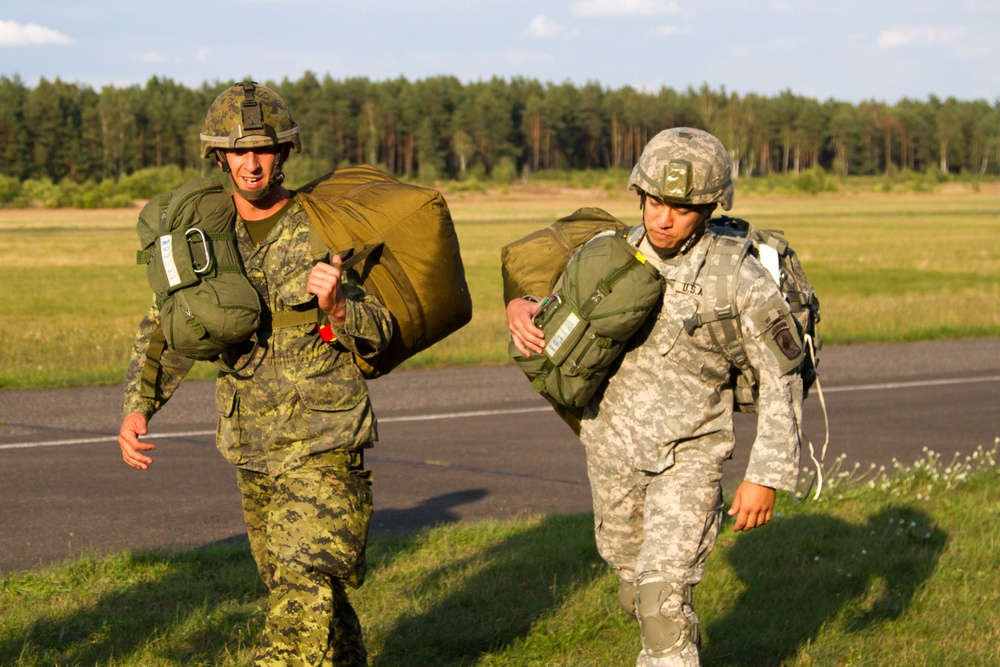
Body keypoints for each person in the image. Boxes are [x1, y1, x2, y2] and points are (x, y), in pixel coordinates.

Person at [117, 81, 393, 667]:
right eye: (237, 151)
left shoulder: (323, 225)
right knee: (305, 592)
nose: (250, 163)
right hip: (251, 445)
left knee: (300, 588)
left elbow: (382, 330)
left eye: (262, 150)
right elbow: (169, 326)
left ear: (284, 152)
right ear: (219, 156)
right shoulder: (206, 234)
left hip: (323, 442)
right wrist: (138, 406)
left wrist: (339, 308)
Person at [507, 127, 804, 666]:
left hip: (689, 456)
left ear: (711, 207)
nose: (662, 219)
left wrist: (766, 476)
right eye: (653, 202)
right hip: (612, 451)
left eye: (682, 208)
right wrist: (520, 306)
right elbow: (545, 292)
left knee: (659, 601)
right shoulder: (607, 252)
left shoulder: (736, 277)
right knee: (633, 589)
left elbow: (783, 380)